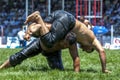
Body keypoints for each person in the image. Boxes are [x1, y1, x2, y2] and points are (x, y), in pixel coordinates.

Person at [24, 10, 110, 73]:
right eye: (87, 50)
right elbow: (102, 51)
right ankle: (37, 17)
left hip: (61, 15)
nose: (83, 50)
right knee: (50, 41)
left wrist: (29, 33)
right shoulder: (93, 40)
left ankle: (30, 30)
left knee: (43, 30)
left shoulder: (86, 34)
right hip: (68, 21)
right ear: (91, 48)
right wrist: (104, 69)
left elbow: (85, 23)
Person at [0, 31, 80, 72]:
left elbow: (76, 58)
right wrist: (29, 33)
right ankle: (1, 68)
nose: (65, 46)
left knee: (59, 70)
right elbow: (38, 26)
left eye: (67, 46)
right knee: (20, 56)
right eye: (64, 44)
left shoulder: (71, 43)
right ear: (64, 38)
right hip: (40, 44)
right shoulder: (57, 33)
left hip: (53, 53)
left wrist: (76, 75)